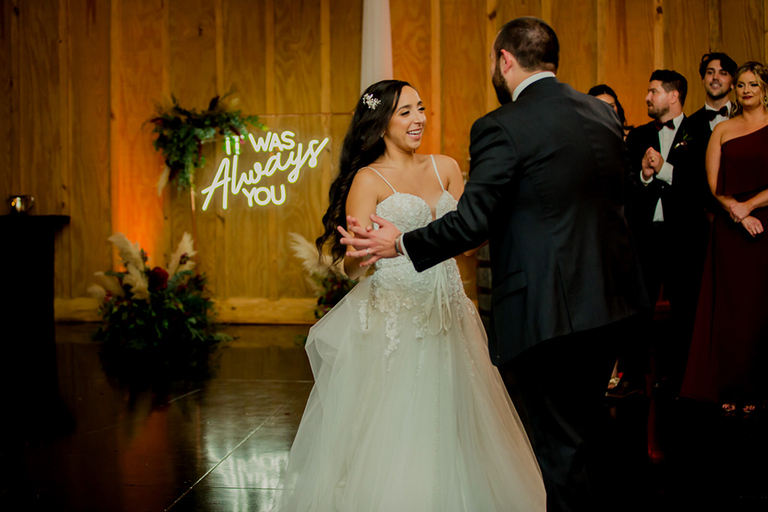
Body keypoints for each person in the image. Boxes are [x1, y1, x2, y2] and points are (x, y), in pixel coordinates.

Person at [341, 18, 648, 512]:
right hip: (611, 304)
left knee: (558, 450)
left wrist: (400, 243)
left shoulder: (501, 126)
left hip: (547, 311)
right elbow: (623, 201)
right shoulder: (600, 113)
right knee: (590, 438)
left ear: (504, 60)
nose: (418, 118)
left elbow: (473, 222)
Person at [271, 80, 546, 511]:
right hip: (397, 320)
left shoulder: (447, 168)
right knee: (400, 426)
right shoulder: (368, 179)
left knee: (459, 420)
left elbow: (469, 244)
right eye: (405, 112)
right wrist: (362, 251)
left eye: (420, 108)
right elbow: (351, 266)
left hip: (451, 313)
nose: (418, 119)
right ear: (380, 123)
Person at [681, 62, 768, 416]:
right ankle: (729, 386)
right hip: (730, 230)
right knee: (733, 313)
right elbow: (713, 184)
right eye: (742, 85)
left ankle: (760, 388)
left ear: (764, 90)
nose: (746, 90)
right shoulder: (722, 130)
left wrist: (750, 206)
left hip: (764, 222)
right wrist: (736, 210)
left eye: (753, 84)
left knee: (762, 310)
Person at [624, 70, 711, 395]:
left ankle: (684, 376)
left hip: (685, 239)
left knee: (687, 309)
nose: (647, 97)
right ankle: (636, 377)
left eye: (653, 91)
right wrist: (646, 176)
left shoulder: (702, 132)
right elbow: (628, 192)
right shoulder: (638, 137)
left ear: (673, 95)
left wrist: (664, 169)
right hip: (646, 239)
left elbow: (705, 189)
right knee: (638, 310)